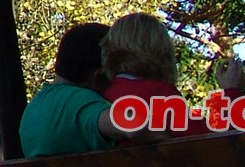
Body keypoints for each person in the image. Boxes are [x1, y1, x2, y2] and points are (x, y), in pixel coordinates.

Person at [101, 12, 245, 139]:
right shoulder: (156, 93)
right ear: (160, 49)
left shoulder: (106, 93)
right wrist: (233, 92)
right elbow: (213, 140)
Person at [19, 22, 154, 156]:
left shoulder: (35, 106)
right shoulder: (79, 100)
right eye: (115, 74)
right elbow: (135, 127)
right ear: (98, 76)